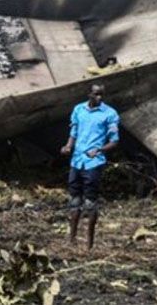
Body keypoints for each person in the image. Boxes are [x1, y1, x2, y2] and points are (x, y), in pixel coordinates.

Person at [60, 83, 119, 250]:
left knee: (90, 202)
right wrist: (68, 146)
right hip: (77, 160)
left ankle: (89, 244)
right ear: (89, 94)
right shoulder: (78, 109)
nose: (99, 98)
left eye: (101, 95)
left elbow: (114, 140)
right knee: (74, 199)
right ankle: (72, 239)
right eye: (96, 94)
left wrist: (99, 149)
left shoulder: (110, 114)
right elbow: (74, 131)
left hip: (94, 162)